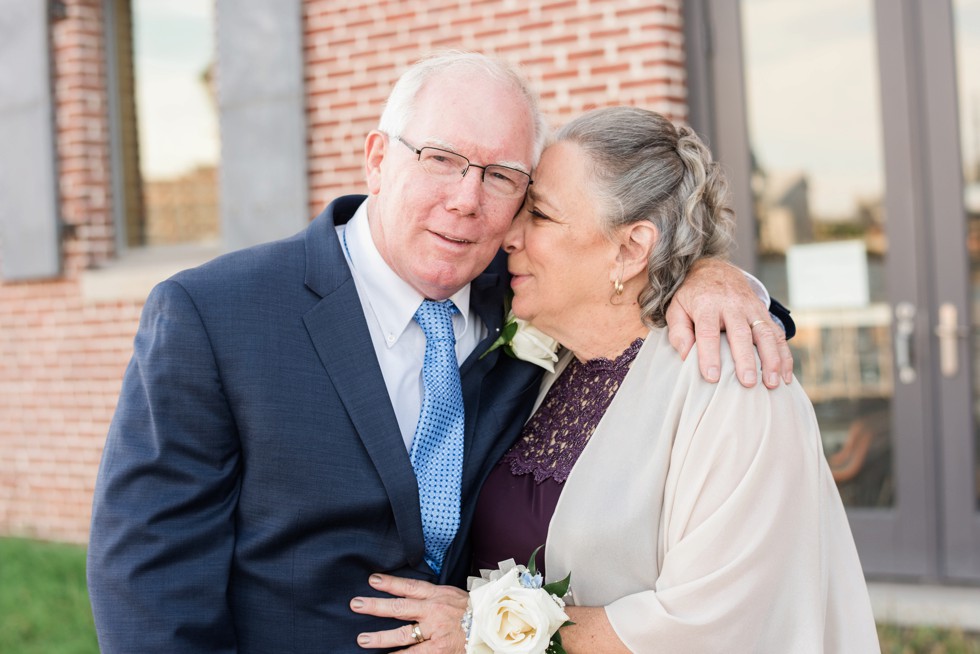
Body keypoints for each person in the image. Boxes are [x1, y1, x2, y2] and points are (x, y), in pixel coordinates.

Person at [86, 53, 793, 652]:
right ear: (377, 158)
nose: (467, 200)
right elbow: (149, 584)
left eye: (502, 176)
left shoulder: (522, 293)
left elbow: (631, 283)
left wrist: (718, 276)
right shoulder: (215, 316)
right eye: (441, 160)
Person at [351, 106, 878, 652]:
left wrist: (481, 627)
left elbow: (718, 623)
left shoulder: (733, 383)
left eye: (542, 216)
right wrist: (714, 271)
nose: (508, 235)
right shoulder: (551, 362)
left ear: (630, 249)